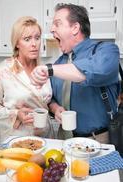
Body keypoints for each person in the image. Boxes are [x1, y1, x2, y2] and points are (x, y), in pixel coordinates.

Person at [30, 4, 120, 143]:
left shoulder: (107, 51)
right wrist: (55, 108)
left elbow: (95, 71)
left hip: (99, 139)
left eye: (57, 24)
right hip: (65, 139)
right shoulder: (60, 62)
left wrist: (49, 69)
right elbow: (51, 98)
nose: (52, 29)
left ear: (75, 28)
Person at [0, 16, 52, 142]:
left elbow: (44, 100)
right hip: (17, 140)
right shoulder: (2, 72)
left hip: (45, 138)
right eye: (27, 39)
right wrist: (16, 114)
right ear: (17, 43)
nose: (34, 44)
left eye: (37, 37)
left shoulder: (42, 70)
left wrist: (55, 108)